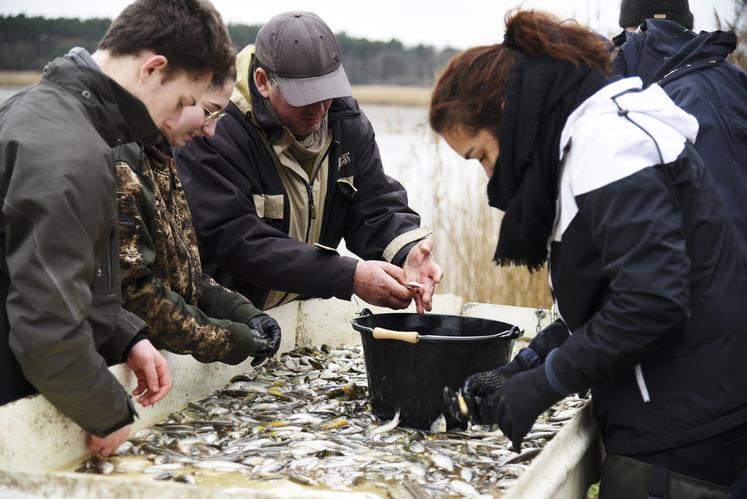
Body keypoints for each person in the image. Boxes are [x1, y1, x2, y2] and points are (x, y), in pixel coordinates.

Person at [431, 10, 747, 498]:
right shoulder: (584, 140)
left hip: (682, 443)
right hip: (672, 426)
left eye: (481, 156)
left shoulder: (606, 145)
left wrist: (548, 383)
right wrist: (524, 367)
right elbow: (609, 300)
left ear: (506, 112)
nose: (490, 178)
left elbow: (651, 303)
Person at [0, 0, 234, 457]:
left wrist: (124, 335)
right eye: (187, 101)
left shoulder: (60, 120)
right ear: (154, 69)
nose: (193, 121)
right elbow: (46, 330)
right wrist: (108, 411)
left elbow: (61, 272)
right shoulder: (67, 153)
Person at [174, 11, 443, 314]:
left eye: (327, 93)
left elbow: (373, 204)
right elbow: (235, 239)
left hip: (298, 315)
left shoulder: (346, 123)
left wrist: (407, 253)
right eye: (303, 96)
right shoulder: (214, 130)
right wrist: (347, 275)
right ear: (263, 82)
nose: (319, 110)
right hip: (227, 321)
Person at [117, 68, 282, 367]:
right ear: (178, 93)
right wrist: (233, 339)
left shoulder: (164, 155)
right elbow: (136, 295)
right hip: (120, 365)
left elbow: (184, 275)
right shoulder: (125, 160)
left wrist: (245, 314)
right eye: (209, 112)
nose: (211, 131)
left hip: (154, 364)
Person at [613, 0, 747, 253]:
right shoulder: (733, 78)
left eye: (626, 38)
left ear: (644, 33)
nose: (622, 50)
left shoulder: (668, 103)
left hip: (718, 280)